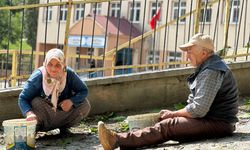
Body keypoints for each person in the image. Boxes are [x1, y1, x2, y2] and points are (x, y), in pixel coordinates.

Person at [97, 33, 238, 150]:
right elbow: (195, 106)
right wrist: (173, 115)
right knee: (168, 121)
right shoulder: (207, 67)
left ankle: (116, 140)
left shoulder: (211, 70)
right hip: (210, 120)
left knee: (169, 126)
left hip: (218, 123)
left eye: (190, 50)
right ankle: (126, 138)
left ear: (203, 52)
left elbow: (198, 109)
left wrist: (174, 113)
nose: (187, 55)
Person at [18, 48, 91, 132]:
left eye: (58, 65)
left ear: (63, 64)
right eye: (50, 64)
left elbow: (83, 90)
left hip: (62, 113)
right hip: (44, 114)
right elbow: (23, 98)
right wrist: (29, 114)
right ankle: (36, 128)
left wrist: (71, 101)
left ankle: (63, 128)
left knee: (85, 104)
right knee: (36, 102)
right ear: (45, 64)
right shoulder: (38, 76)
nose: (53, 69)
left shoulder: (68, 74)